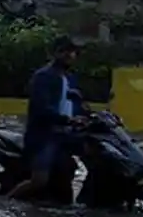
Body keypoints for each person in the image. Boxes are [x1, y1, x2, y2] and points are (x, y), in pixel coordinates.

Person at [8, 35, 86, 201]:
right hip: (44, 136)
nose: (69, 55)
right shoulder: (43, 77)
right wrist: (67, 120)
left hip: (66, 136)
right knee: (39, 180)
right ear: (55, 53)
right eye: (64, 51)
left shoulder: (70, 78)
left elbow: (78, 106)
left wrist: (92, 117)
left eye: (72, 52)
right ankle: (8, 202)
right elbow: (41, 108)